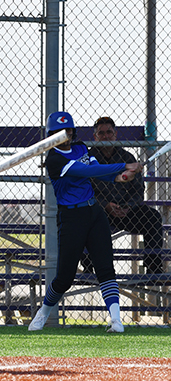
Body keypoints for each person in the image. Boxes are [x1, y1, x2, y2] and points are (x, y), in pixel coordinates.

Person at [29, 111, 142, 333]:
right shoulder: (54, 160)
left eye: (69, 130)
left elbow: (97, 171)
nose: (66, 135)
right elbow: (88, 170)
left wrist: (121, 176)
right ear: (51, 135)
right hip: (71, 218)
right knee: (65, 277)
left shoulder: (80, 147)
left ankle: (116, 320)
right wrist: (123, 166)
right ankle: (42, 314)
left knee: (105, 269)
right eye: (59, 132)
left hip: (94, 213)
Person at [83, 116, 164, 275]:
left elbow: (138, 189)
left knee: (153, 217)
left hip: (127, 211)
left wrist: (128, 207)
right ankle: (89, 268)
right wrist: (105, 205)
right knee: (83, 218)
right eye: (101, 133)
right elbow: (85, 191)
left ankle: (153, 268)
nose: (106, 136)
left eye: (109, 132)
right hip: (100, 211)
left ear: (115, 134)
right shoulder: (88, 159)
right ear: (95, 137)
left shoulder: (127, 158)